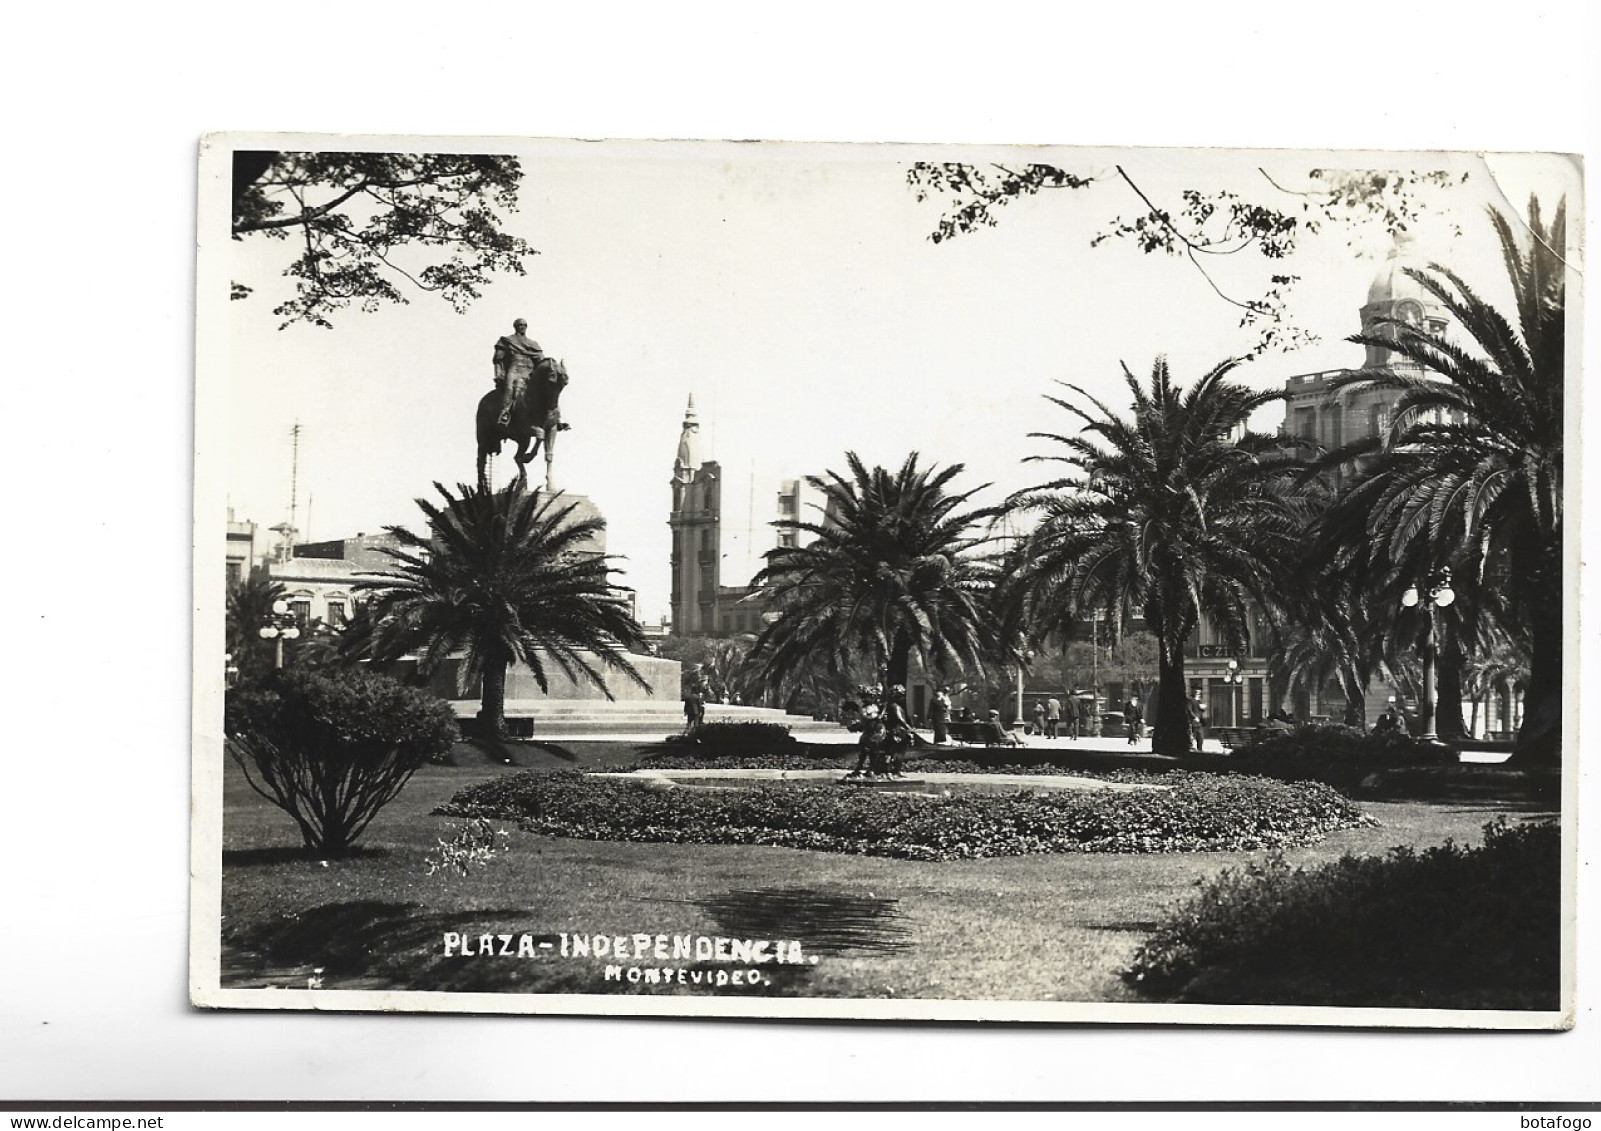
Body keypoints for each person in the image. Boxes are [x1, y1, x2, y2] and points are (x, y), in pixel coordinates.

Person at [493, 318, 548, 425]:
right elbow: (498, 359)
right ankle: (505, 412)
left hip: (530, 371)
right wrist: (499, 373)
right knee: (510, 387)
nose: (522, 327)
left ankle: (556, 416)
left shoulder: (533, 343)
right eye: (520, 325)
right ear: (515, 326)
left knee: (548, 388)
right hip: (515, 369)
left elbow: (541, 360)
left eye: (524, 325)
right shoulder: (507, 341)